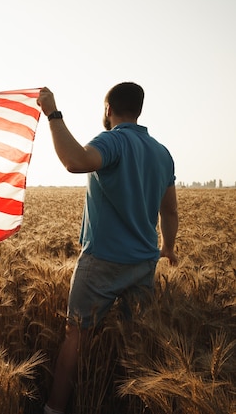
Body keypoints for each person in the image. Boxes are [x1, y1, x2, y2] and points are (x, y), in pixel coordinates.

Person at [36, 83, 179, 414]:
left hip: (101, 261)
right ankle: (138, 404)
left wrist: (53, 114)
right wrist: (167, 248)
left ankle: (54, 409)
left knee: (77, 335)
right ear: (138, 110)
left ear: (107, 109)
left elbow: (75, 161)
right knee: (137, 339)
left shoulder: (113, 140)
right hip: (144, 263)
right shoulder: (162, 153)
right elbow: (169, 211)